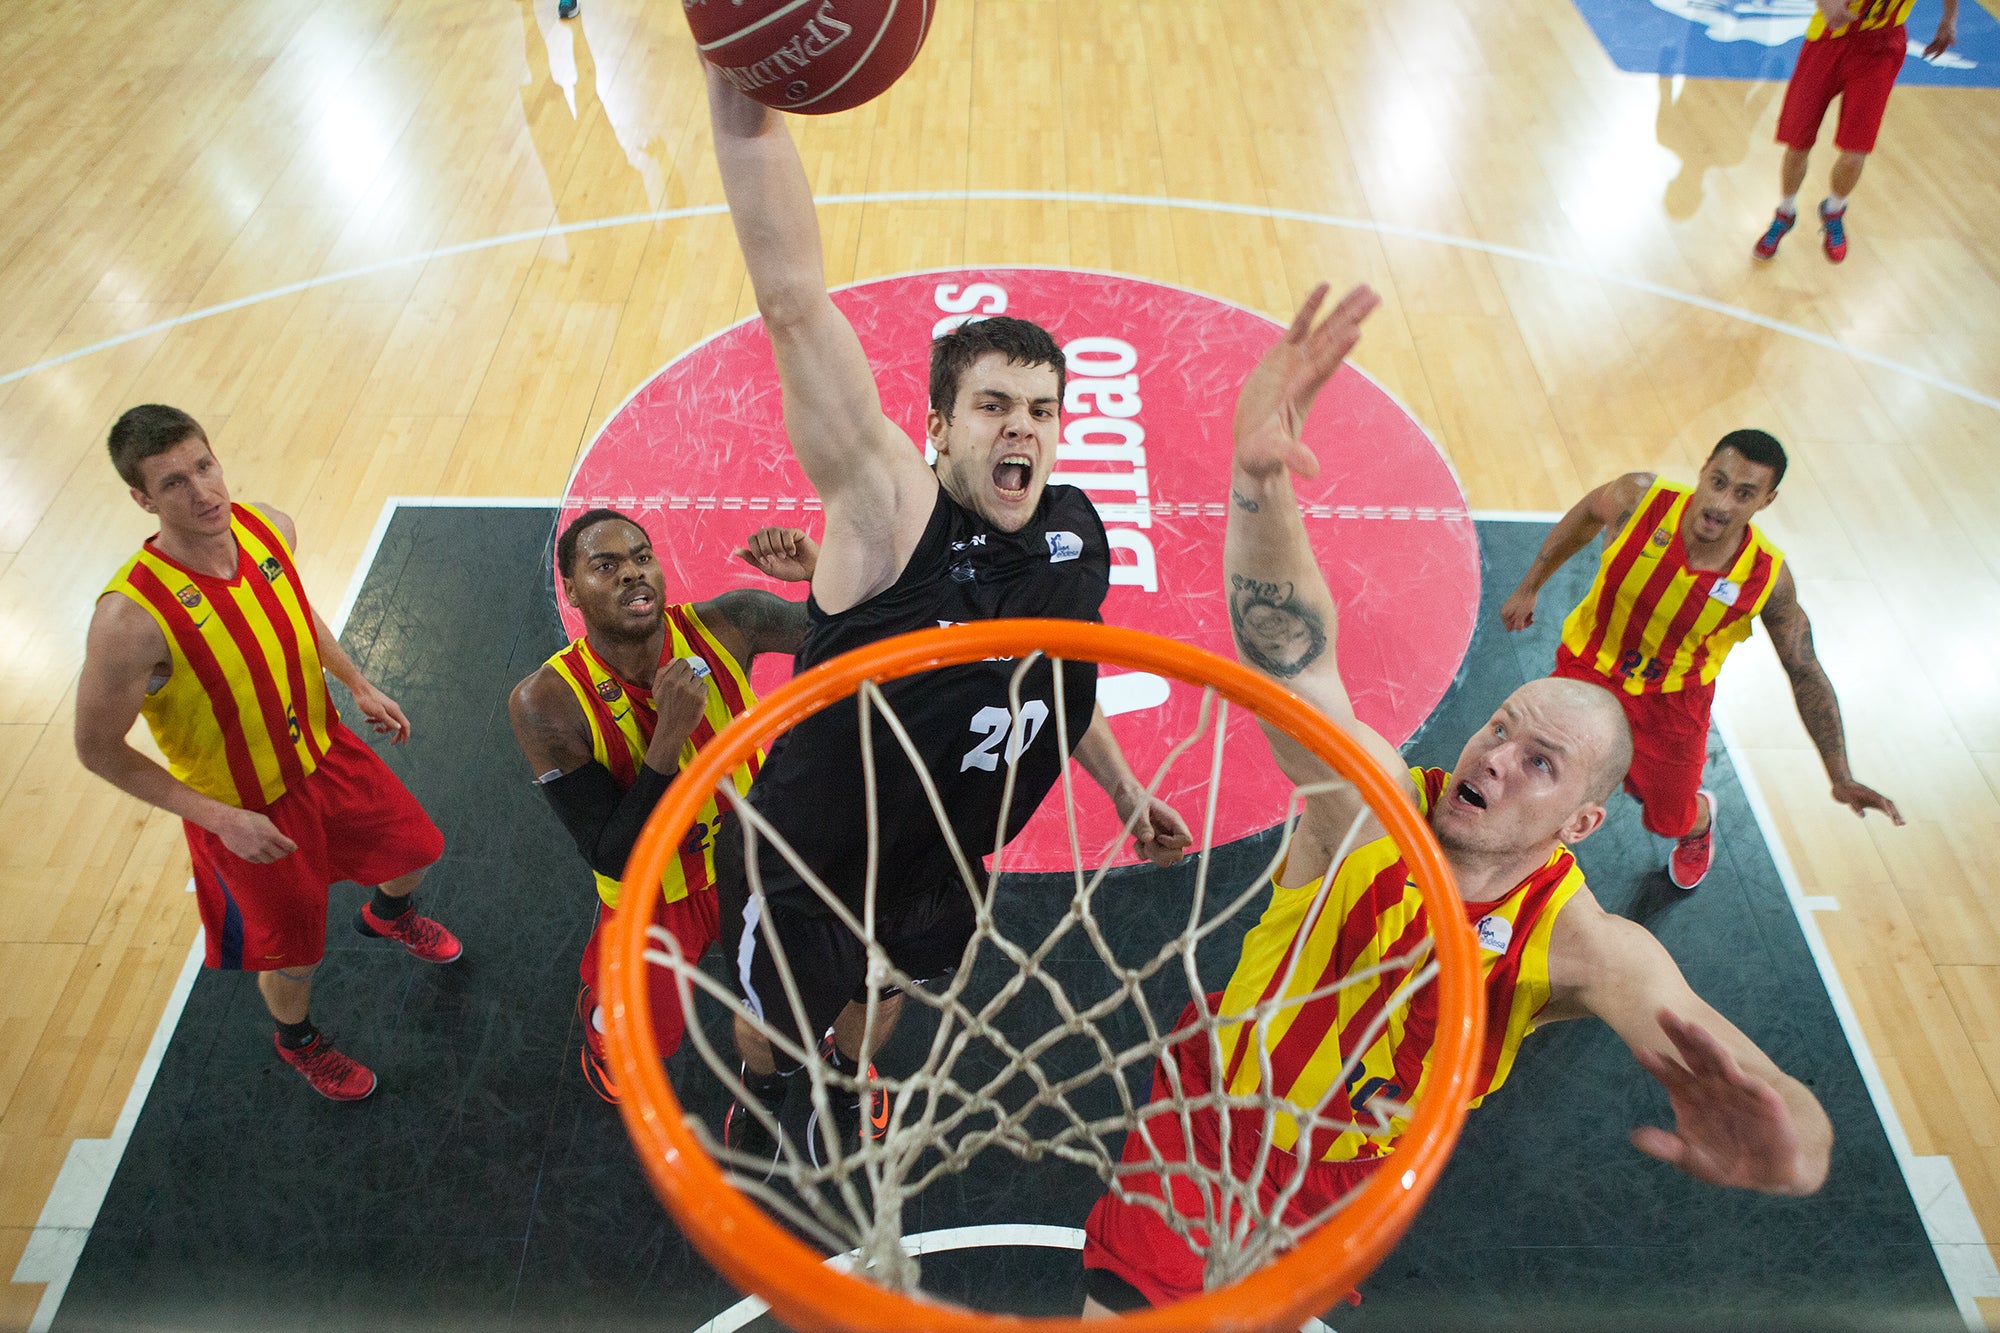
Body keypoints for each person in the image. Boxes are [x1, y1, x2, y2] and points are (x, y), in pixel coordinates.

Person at [1079, 286, 1833, 1314]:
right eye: (1499, 729)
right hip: (1214, 1116)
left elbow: (1733, 1063)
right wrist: (1258, 485)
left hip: (1350, 1180)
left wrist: (1792, 1139)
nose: (1496, 755)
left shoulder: (1584, 945)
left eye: (1539, 763)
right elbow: (1288, 653)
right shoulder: (1368, 809)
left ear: (1580, 825)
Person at [702, 64, 1193, 1163]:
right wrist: (738, 97)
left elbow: (1053, 682)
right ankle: (768, 1086)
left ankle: (848, 1071)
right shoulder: (885, 510)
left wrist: (1119, 787)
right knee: (772, 1016)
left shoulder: (1072, 532)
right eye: (990, 408)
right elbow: (791, 304)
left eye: (1039, 411)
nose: (1019, 429)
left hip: (946, 867)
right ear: (937, 425)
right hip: (807, 862)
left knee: (888, 997)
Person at [76, 405, 458, 1103]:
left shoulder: (266, 527)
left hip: (326, 755)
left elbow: (293, 612)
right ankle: (300, 1041)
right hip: (243, 810)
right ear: (142, 499)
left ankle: (387, 914)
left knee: (419, 851)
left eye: (204, 466)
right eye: (173, 484)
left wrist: (357, 681)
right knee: (298, 956)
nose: (203, 493)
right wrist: (217, 819)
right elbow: (97, 750)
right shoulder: (128, 619)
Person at [508, 510, 821, 1102]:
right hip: (653, 894)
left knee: (792, 999)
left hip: (749, 861)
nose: (632, 573)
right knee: (640, 1045)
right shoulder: (544, 702)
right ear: (571, 590)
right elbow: (615, 856)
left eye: (641, 556)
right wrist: (669, 737)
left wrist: (819, 573)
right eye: (607, 565)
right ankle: (604, 1019)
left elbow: (852, 633)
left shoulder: (734, 620)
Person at [1499, 429, 1901, 889]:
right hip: (1588, 667)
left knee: (1670, 818)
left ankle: (1702, 820)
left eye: (1744, 494)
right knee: (1544, 771)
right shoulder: (1639, 499)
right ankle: (1510, 865)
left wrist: (1840, 775)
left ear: (1766, 501)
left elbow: (1804, 670)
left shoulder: (1766, 579)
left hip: (1673, 702)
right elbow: (1589, 511)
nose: (1722, 503)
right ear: (1705, 469)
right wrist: (1530, 584)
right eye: (1718, 481)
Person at [1753, 0, 1957, 262]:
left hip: (1881, 48)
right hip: (1829, 40)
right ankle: (1785, 213)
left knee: (1855, 153)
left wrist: (1949, 20)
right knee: (1798, 144)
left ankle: (1834, 210)